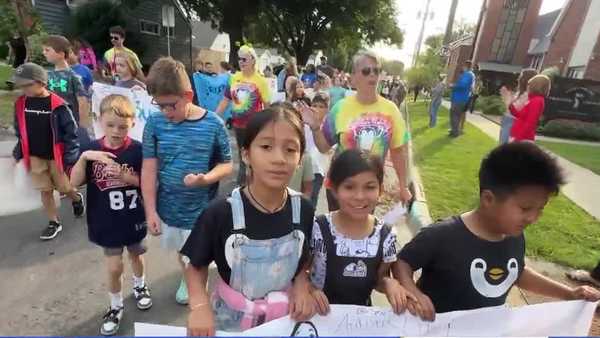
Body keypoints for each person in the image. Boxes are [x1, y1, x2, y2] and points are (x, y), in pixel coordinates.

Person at [394, 142, 600, 321]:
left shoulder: (515, 236)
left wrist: (569, 294)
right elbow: (403, 262)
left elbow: (516, 272)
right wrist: (413, 292)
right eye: (525, 208)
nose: (533, 218)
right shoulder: (442, 235)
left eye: (540, 209)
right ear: (488, 199)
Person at [182, 103, 316, 335]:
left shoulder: (303, 209)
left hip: (284, 321)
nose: (279, 159)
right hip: (230, 322)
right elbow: (195, 266)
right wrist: (200, 306)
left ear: (300, 159)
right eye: (266, 146)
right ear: (246, 154)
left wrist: (303, 284)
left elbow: (305, 259)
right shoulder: (220, 213)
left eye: (290, 150)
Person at [141, 57, 233, 305]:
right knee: (182, 252)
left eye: (170, 105)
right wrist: (150, 210)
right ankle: (187, 275)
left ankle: (196, 283)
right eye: (159, 105)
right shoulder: (154, 123)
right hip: (169, 208)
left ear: (188, 95)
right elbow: (148, 168)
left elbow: (226, 164)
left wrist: (207, 178)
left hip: (202, 210)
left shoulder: (214, 124)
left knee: (198, 254)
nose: (165, 112)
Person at [69, 94, 151, 335]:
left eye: (123, 126)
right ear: (99, 120)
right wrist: (85, 157)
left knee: (137, 255)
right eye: (110, 125)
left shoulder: (138, 151)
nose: (116, 131)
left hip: (133, 218)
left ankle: (140, 285)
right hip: (105, 220)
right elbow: (73, 183)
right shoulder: (91, 149)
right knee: (114, 267)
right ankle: (115, 306)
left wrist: (128, 178)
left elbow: (149, 184)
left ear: (133, 124)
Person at [301, 50, 412, 211]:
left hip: (368, 191)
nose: (372, 75)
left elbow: (398, 151)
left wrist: (403, 186)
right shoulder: (340, 108)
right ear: (353, 78)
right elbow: (324, 147)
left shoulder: (391, 110)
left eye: (376, 70)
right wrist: (315, 127)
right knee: (337, 234)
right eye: (366, 71)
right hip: (339, 188)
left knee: (362, 233)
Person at [306, 149, 412, 314]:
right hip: (318, 318)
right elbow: (300, 273)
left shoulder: (386, 236)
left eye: (369, 187)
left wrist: (390, 284)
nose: (360, 196)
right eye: (349, 187)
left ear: (380, 190)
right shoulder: (317, 229)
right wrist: (310, 290)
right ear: (334, 190)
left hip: (359, 321)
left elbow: (379, 280)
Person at [11, 63, 84, 240]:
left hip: (56, 156)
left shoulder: (58, 105)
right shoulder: (21, 103)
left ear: (41, 83)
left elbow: (71, 132)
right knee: (45, 190)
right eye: (20, 85)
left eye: (26, 85)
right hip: (35, 155)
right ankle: (54, 222)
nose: (23, 89)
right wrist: (19, 149)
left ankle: (75, 198)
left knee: (64, 187)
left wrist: (71, 155)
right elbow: (19, 128)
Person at [216, 45, 271, 186]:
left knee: (253, 157)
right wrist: (214, 117)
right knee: (243, 158)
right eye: (239, 59)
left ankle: (253, 186)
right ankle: (243, 189)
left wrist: (268, 126)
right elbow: (225, 100)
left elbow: (267, 106)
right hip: (238, 126)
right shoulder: (234, 78)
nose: (241, 62)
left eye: (244, 59)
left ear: (253, 60)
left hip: (254, 126)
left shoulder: (260, 81)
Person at [42, 35, 91, 147]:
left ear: (61, 54)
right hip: (51, 123)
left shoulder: (73, 77)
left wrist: (81, 127)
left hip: (69, 124)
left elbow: (83, 102)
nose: (44, 53)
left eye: (47, 50)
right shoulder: (47, 76)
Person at [502, 74, 550, 142]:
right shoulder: (531, 99)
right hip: (516, 136)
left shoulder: (537, 101)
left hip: (523, 138)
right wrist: (510, 105)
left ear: (536, 86)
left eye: (529, 84)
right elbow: (520, 116)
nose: (528, 87)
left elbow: (530, 122)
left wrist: (517, 138)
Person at [498, 69, 538, 144]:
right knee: (503, 146)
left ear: (526, 79)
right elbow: (510, 107)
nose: (518, 79)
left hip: (512, 121)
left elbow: (514, 110)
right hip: (507, 120)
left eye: (521, 76)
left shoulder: (526, 95)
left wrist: (507, 97)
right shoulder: (519, 92)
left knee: (505, 148)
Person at [448, 60, 475, 137]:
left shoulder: (468, 75)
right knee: (456, 115)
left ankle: (455, 132)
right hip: (460, 98)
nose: (463, 67)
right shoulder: (467, 75)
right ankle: (454, 130)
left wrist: (452, 86)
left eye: (464, 66)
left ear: (466, 66)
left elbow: (463, 85)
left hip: (459, 98)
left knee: (454, 115)